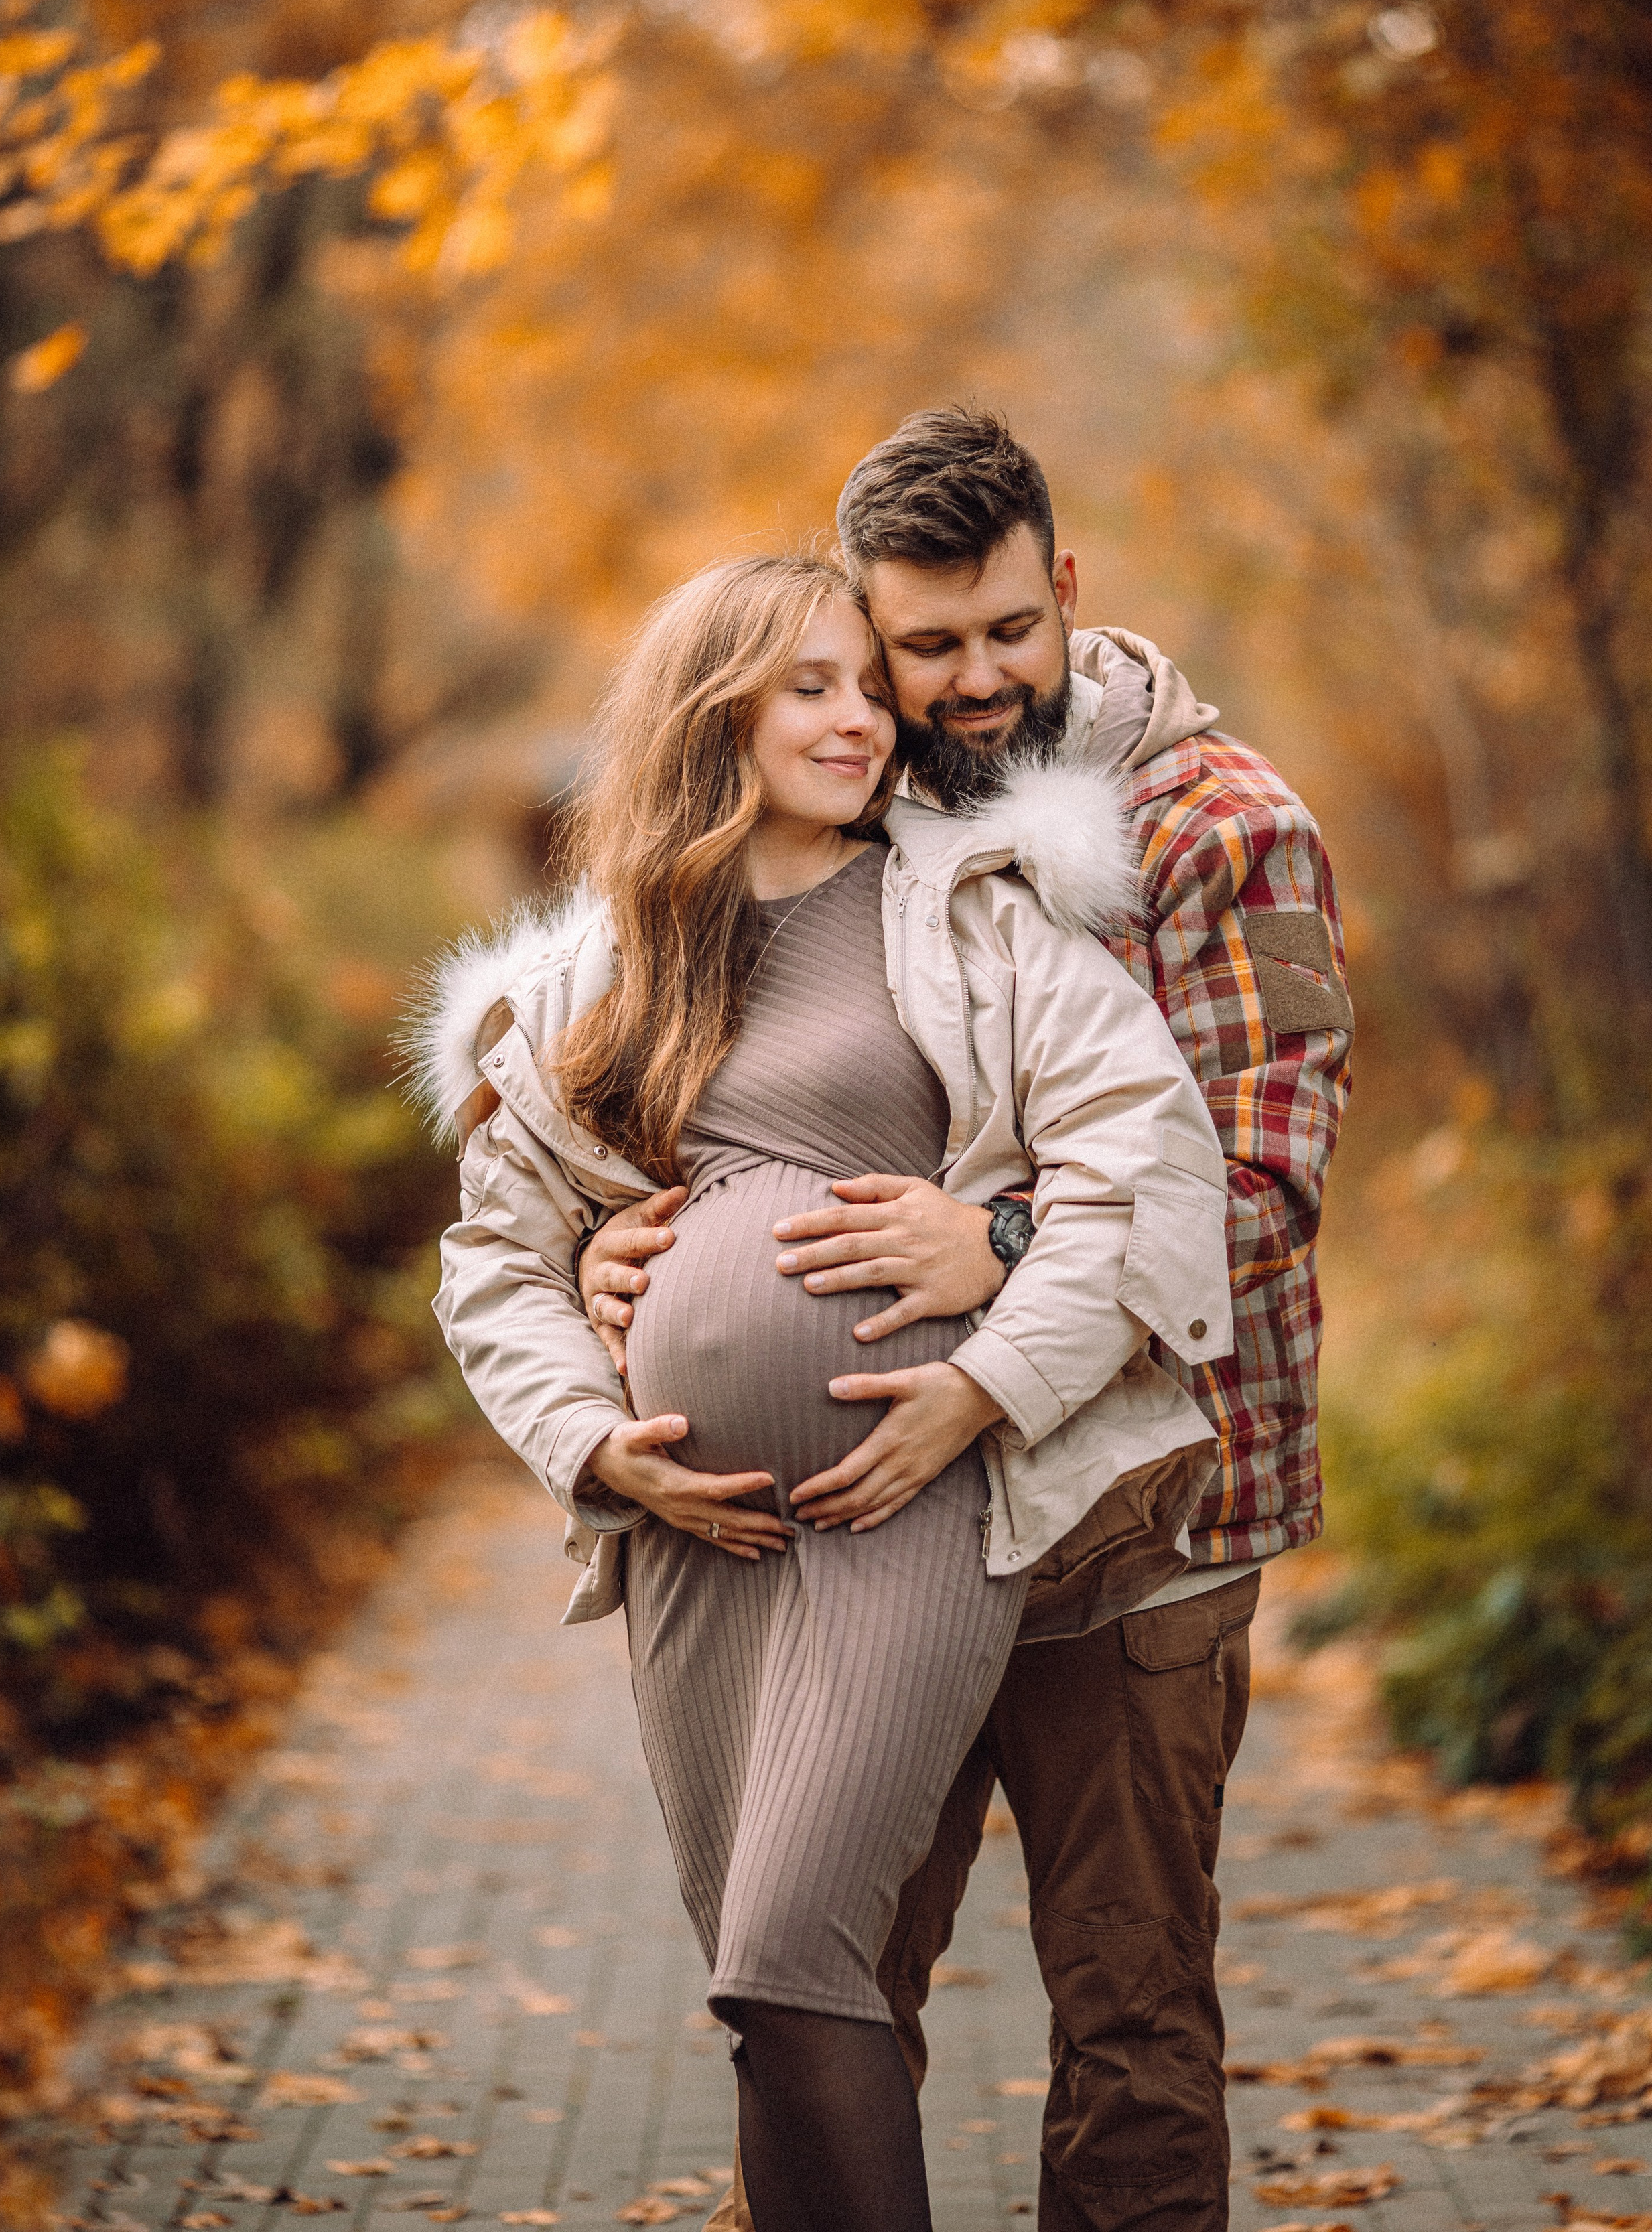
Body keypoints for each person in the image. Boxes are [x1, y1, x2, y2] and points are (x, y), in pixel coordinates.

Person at [581, 413, 1354, 2232]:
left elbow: (1256, 1189)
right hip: (884, 1526)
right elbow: (741, 1080)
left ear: (1064, 585)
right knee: (823, 1983)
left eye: (1009, 628)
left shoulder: (1223, 825)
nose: (973, 677)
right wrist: (628, 1248)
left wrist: (994, 1242)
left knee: (1131, 2008)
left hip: (1140, 1532)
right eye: (924, 645)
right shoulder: (869, 793)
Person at [409, 550, 1234, 2232]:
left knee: (792, 1952)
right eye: (813, 685)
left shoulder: (972, 909)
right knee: (763, 1997)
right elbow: (493, 1254)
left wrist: (985, 1386)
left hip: (906, 1502)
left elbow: (1147, 1160)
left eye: (869, 686)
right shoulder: (604, 968)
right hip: (695, 1545)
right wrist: (597, 1447)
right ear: (713, 706)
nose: (862, 717)